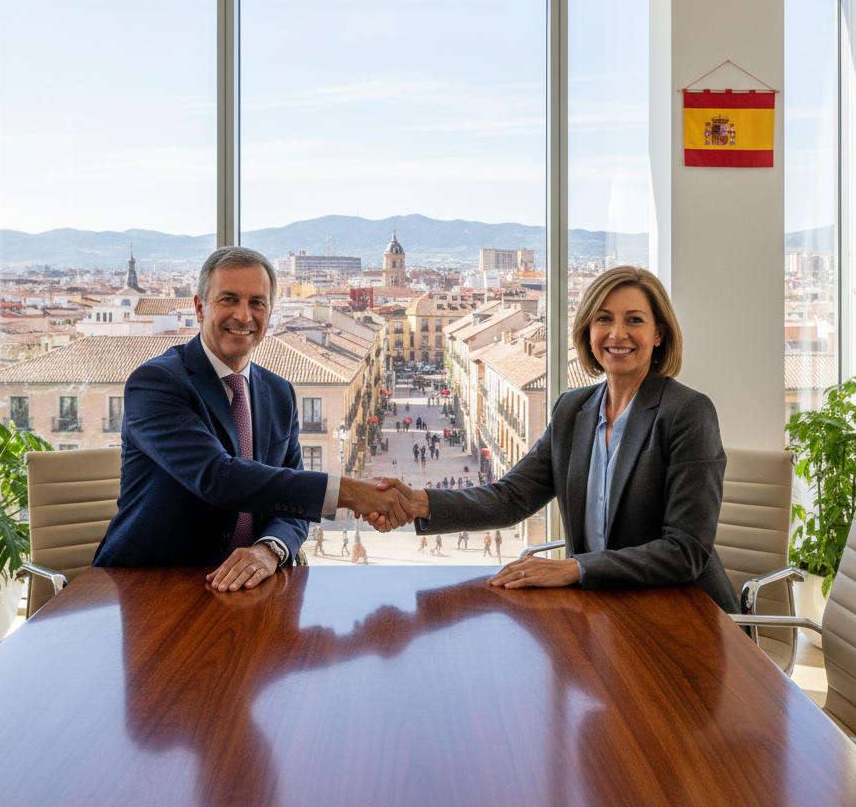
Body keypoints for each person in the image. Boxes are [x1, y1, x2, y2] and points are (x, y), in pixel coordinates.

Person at [373, 265, 739, 611]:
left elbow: (685, 550)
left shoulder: (687, 413)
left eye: (634, 320)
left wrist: (575, 568)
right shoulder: (572, 410)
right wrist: (419, 502)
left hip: (688, 613)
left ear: (659, 333)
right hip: (605, 609)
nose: (617, 333)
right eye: (604, 319)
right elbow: (511, 497)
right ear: (588, 331)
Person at [93, 246, 413, 592]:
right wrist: (349, 492)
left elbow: (291, 506)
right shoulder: (157, 383)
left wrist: (269, 549)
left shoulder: (279, 393)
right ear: (200, 307)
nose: (244, 316)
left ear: (270, 312)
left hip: (247, 593)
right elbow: (218, 478)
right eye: (229, 299)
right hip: (147, 585)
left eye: (257, 303)